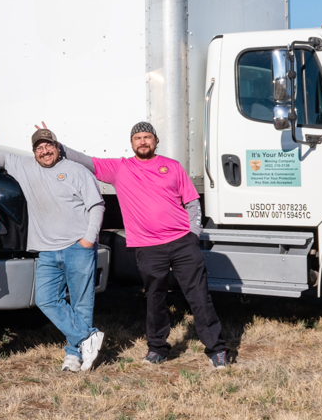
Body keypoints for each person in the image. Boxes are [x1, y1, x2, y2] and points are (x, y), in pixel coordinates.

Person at [56, 121, 231, 368]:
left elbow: (192, 201)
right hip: (148, 247)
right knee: (155, 298)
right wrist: (57, 146)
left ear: (156, 141)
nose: (143, 142)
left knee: (199, 296)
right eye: (137, 138)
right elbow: (87, 161)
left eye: (147, 137)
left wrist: (193, 234)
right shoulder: (120, 168)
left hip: (182, 243)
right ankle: (157, 348)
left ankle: (217, 349)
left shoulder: (172, 166)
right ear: (131, 143)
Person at [0, 127, 106, 372]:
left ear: (57, 147)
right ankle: (87, 337)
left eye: (49, 146)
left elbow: (97, 205)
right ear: (34, 151)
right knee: (45, 299)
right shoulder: (26, 166)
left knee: (81, 303)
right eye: (39, 148)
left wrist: (89, 239)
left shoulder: (77, 171)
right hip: (47, 250)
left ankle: (74, 355)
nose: (45, 151)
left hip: (78, 247)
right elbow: (1, 157)